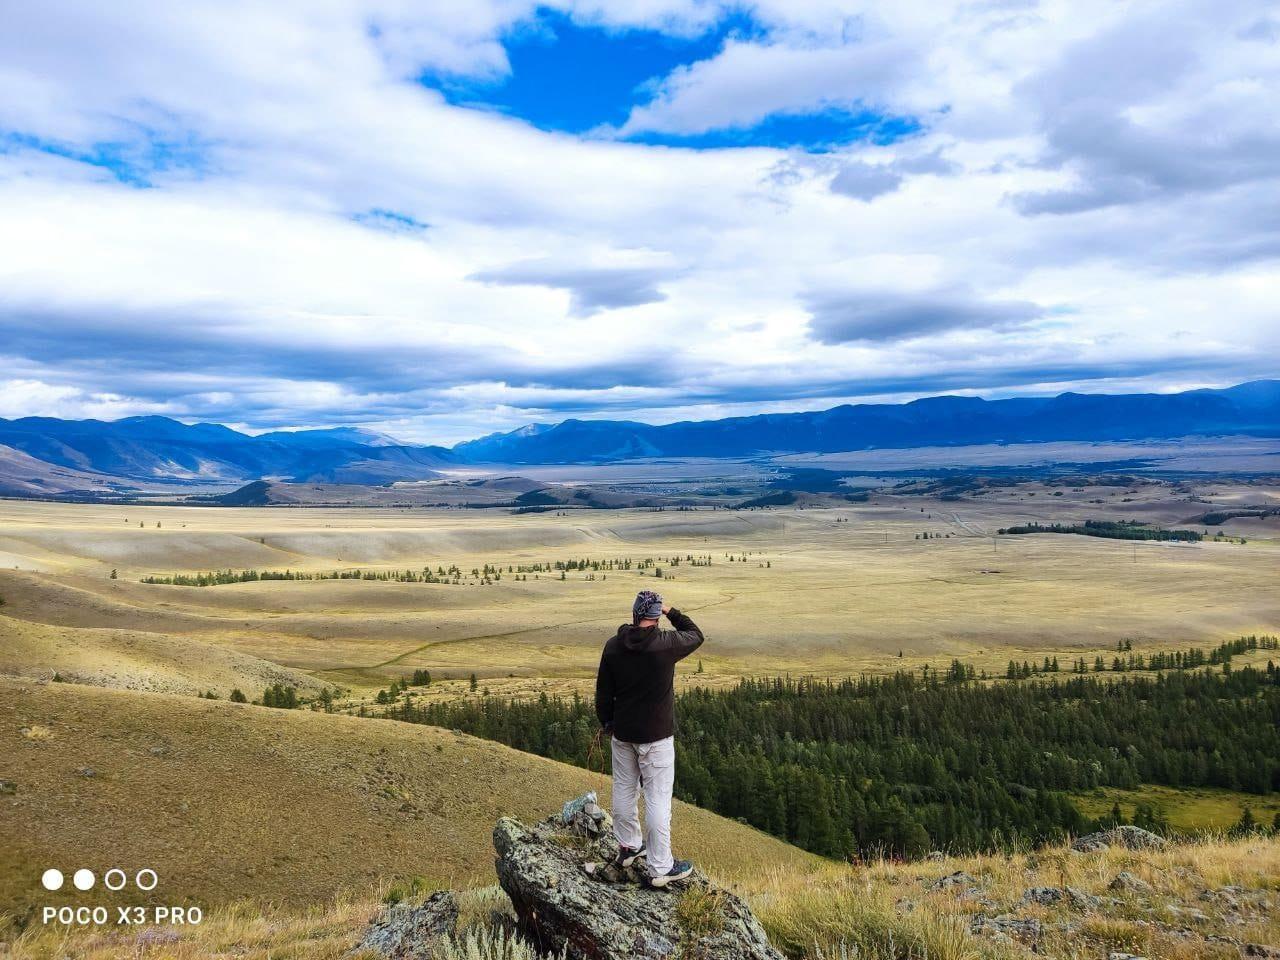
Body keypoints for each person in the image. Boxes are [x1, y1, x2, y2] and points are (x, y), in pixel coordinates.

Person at [594, 589, 704, 888]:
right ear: (656, 617)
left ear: (634, 614)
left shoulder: (613, 646)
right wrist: (670, 611)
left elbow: (603, 691)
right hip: (656, 737)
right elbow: (695, 634)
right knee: (657, 800)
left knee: (624, 790)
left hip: (623, 734)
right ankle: (660, 867)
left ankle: (629, 846)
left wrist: (608, 722)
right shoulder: (665, 645)